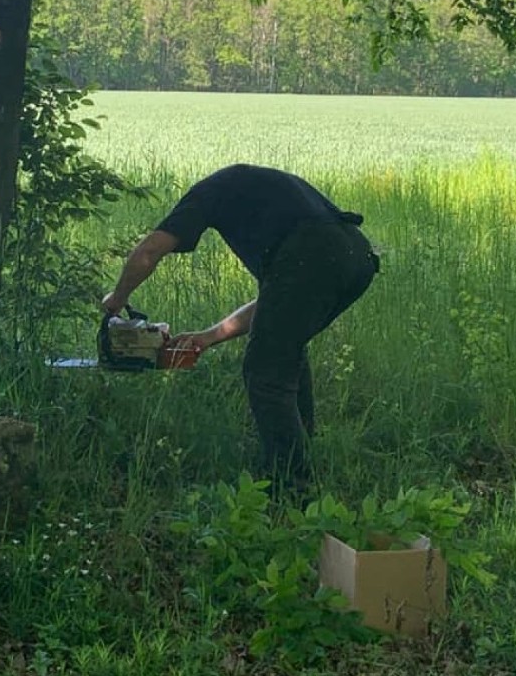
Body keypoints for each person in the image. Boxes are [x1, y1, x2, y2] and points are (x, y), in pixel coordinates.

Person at [102, 163, 379, 491]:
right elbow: (276, 305)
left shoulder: (207, 194)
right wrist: (207, 338)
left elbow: (150, 251)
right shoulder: (263, 198)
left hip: (316, 257)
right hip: (357, 258)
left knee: (265, 372)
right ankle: (303, 454)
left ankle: (291, 488)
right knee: (283, 350)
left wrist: (117, 300)